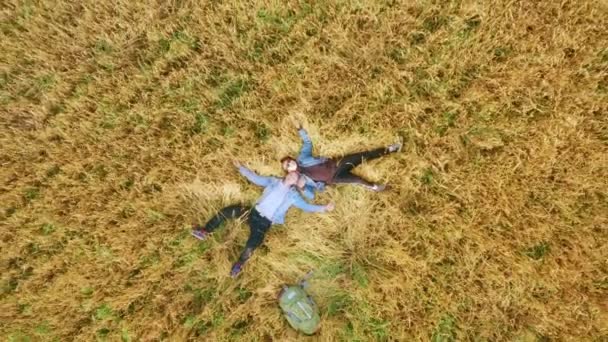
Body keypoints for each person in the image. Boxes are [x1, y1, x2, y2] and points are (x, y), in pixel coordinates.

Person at [191, 162, 334, 277]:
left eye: (296, 177)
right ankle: (205, 230)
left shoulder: (293, 195)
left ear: (296, 182)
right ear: (287, 173)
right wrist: (241, 168)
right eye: (292, 174)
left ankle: (239, 264)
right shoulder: (273, 181)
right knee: (228, 211)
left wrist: (323, 208)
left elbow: (306, 206)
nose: (293, 176)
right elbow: (256, 179)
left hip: (264, 222)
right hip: (253, 212)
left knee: (253, 243)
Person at [281, 124, 401, 198]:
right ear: (288, 171)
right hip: (334, 179)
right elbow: (311, 196)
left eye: (289, 161)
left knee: (364, 156)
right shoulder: (298, 181)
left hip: (336, 165)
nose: (290, 164)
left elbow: (307, 143)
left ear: (292, 159)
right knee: (357, 180)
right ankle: (375, 187)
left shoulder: (302, 158)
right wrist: (302, 188)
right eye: (287, 166)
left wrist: (300, 129)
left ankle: (390, 149)